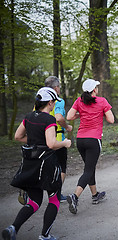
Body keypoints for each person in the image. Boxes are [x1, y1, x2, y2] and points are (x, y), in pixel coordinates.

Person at [2, 87, 71, 240]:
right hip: (46, 165)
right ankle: (45, 235)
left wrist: (35, 141)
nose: (53, 105)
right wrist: (65, 143)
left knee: (34, 201)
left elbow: (18, 136)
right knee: (54, 198)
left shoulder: (28, 116)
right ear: (50, 103)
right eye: (53, 102)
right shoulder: (49, 119)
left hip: (30, 164)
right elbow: (52, 144)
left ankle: (13, 227)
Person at [18, 76, 73, 205]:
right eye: (59, 86)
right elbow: (59, 118)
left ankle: (27, 188)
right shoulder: (57, 101)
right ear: (55, 88)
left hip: (39, 139)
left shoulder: (39, 100)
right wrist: (67, 127)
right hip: (56, 138)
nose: (59, 89)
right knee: (61, 168)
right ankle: (56, 195)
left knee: (39, 166)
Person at [66, 79, 114, 214]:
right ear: (94, 90)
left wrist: (81, 114)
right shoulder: (102, 101)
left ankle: (95, 195)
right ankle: (75, 196)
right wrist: (101, 113)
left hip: (80, 139)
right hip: (93, 139)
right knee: (88, 169)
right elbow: (111, 120)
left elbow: (69, 116)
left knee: (89, 167)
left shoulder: (79, 101)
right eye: (97, 87)